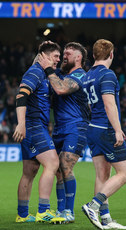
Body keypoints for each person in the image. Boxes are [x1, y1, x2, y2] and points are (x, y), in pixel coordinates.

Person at [82, 39, 126, 230]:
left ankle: (105, 219)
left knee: (102, 174)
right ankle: (93, 206)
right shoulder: (108, 74)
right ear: (111, 54)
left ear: (94, 55)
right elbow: (109, 104)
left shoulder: (87, 76)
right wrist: (118, 130)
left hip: (92, 128)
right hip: (106, 129)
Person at [13, 41, 65, 224]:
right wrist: (21, 124)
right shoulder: (35, 72)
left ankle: (23, 214)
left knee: (29, 171)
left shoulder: (43, 74)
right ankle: (43, 211)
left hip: (35, 126)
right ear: (45, 56)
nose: (58, 60)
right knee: (52, 163)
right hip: (33, 126)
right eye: (56, 56)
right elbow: (21, 95)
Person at [38, 42, 90, 223]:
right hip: (59, 129)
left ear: (78, 58)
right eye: (62, 54)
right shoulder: (59, 73)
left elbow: (60, 89)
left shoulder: (80, 75)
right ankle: (60, 212)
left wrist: (49, 70)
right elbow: (43, 65)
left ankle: (69, 212)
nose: (63, 56)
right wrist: (43, 52)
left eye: (68, 53)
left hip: (76, 127)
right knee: (58, 171)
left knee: (66, 166)